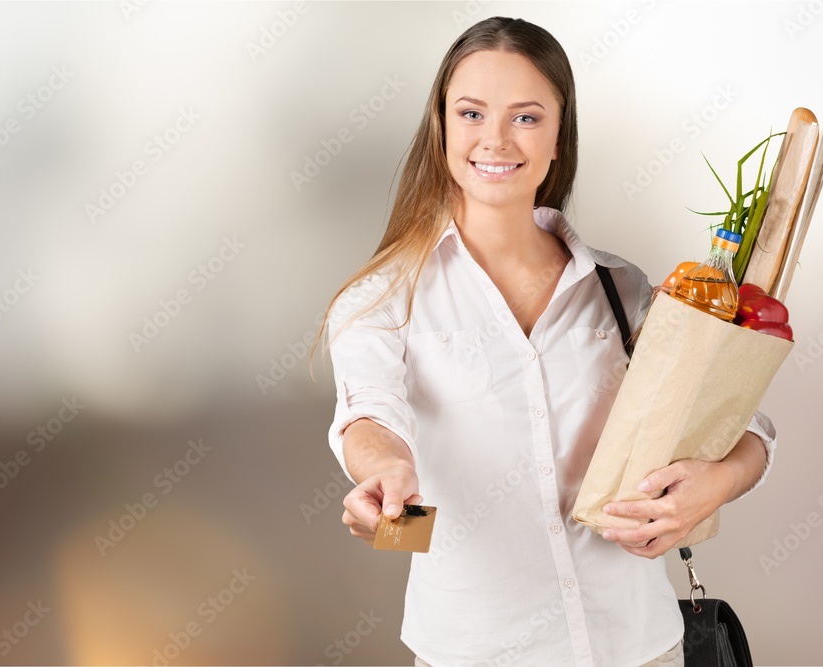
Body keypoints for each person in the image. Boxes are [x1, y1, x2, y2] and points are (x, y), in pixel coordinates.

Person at [316, 17, 776, 667]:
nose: (496, 138)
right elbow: (370, 417)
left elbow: (741, 419)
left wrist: (719, 482)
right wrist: (390, 491)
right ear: (442, 127)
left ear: (560, 137)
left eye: (526, 117)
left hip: (641, 647)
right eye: (471, 112)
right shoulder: (382, 300)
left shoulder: (622, 289)